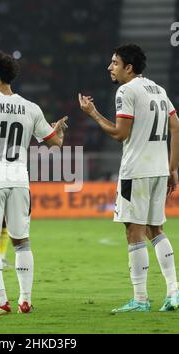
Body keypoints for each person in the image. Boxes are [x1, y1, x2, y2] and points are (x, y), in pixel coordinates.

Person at [0, 50, 67, 316]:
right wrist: (59, 129)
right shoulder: (31, 107)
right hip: (20, 179)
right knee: (22, 241)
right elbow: (56, 142)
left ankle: (0, 301)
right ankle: (25, 300)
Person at [79, 43, 179, 313]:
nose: (109, 67)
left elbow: (120, 133)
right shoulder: (159, 90)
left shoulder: (126, 90)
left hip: (136, 170)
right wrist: (172, 167)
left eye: (114, 63)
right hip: (159, 169)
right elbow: (176, 125)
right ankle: (173, 292)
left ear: (128, 67)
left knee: (134, 231)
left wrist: (92, 113)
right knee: (155, 229)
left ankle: (141, 299)